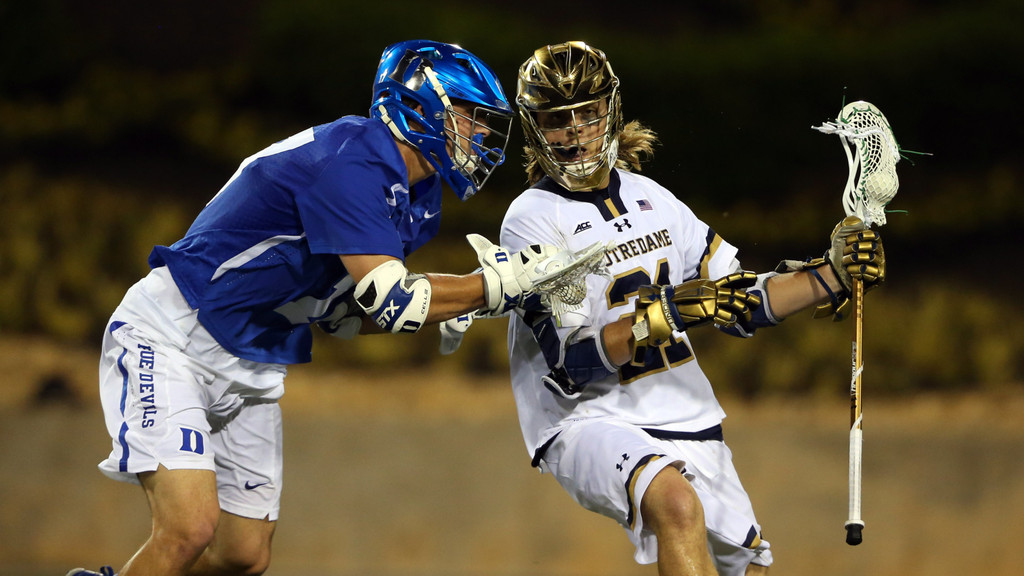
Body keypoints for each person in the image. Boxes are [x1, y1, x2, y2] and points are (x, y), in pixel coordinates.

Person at [67, 39, 569, 576]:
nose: (481, 134)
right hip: (175, 334)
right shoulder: (352, 162)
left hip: (252, 354)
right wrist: (491, 287)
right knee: (189, 528)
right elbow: (397, 298)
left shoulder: (418, 199)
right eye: (469, 117)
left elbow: (346, 312)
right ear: (420, 104)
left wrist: (459, 302)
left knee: (243, 555)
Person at [497, 41, 887, 576]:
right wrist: (673, 309)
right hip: (586, 418)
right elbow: (572, 363)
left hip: (686, 415)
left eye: (587, 114)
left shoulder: (652, 196)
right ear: (535, 128)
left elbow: (741, 302)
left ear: (609, 111)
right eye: (557, 120)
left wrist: (831, 275)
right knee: (674, 504)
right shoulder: (532, 217)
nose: (576, 133)